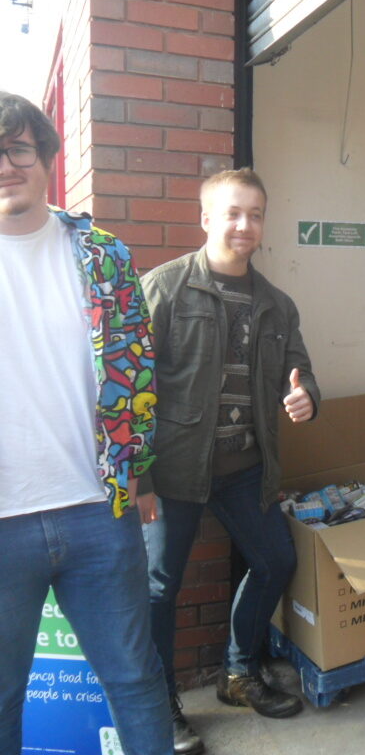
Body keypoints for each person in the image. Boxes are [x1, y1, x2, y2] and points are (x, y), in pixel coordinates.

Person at [0, 92, 172, 755]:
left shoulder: (103, 258)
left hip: (99, 512)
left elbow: (137, 376)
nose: (6, 164)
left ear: (46, 156)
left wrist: (143, 475)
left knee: (134, 680)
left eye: (18, 147)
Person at [139, 167, 320, 755]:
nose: (245, 225)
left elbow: (302, 369)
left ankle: (238, 674)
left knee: (274, 560)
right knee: (159, 587)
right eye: (233, 212)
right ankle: (160, 703)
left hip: (246, 466)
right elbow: (130, 387)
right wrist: (138, 479)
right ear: (207, 218)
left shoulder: (276, 303)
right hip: (173, 470)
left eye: (256, 214)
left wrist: (306, 396)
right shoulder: (163, 288)